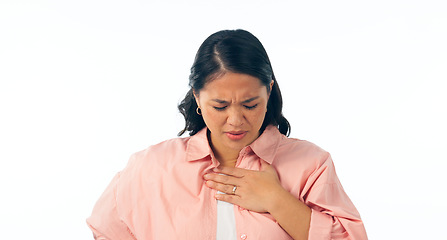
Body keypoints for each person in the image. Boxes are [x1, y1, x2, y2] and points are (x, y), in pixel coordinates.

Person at [87, 29, 368, 240]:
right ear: (197, 97)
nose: (235, 121)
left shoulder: (311, 164)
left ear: (268, 92)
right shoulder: (151, 166)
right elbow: (106, 231)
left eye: (250, 104)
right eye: (220, 106)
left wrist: (276, 200)